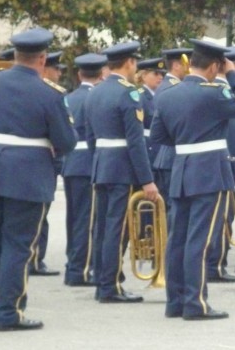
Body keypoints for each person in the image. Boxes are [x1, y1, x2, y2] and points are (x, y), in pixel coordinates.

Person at [0, 27, 76, 330]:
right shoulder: (49, 93)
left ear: (15, 56)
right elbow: (66, 142)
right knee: (17, 245)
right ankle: (9, 313)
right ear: (41, 58)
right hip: (27, 176)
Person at [150, 39, 235, 320]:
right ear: (213, 67)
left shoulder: (167, 94)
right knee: (200, 239)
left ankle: (175, 302)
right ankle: (196, 303)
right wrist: (234, 74)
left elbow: (159, 137)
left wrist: (187, 141)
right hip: (209, 170)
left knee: (178, 239)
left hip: (181, 169)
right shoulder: (214, 93)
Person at [85, 41, 159, 304]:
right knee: (118, 228)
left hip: (102, 164)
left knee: (103, 227)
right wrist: (147, 180)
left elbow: (91, 136)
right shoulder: (129, 94)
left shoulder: (95, 92)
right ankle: (110, 285)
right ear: (129, 63)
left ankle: (102, 281)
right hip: (122, 168)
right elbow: (136, 141)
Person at [61, 53, 107, 287]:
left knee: (74, 218)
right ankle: (81, 269)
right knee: (87, 221)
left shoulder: (68, 98)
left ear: (79, 74)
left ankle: (73, 265)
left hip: (70, 162)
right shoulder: (96, 98)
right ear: (101, 74)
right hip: (89, 161)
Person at [206, 46, 235, 284]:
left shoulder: (210, 87)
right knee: (223, 215)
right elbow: (233, 132)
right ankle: (216, 263)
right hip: (224, 160)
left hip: (209, 160)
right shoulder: (224, 89)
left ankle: (214, 262)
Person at [29, 50, 66, 277]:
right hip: (41, 160)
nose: (59, 74)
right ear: (44, 67)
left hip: (49, 160)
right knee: (37, 212)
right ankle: (33, 258)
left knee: (43, 212)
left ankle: (36, 257)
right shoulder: (47, 94)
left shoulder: (54, 93)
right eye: (56, 69)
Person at [152, 48, 194, 208]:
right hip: (172, 154)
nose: (190, 68)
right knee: (173, 211)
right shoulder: (171, 87)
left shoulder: (167, 86)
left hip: (168, 156)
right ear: (177, 65)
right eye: (187, 64)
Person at [137, 57, 166, 166]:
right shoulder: (140, 97)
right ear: (144, 76)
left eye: (162, 74)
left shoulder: (161, 96)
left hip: (160, 151)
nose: (160, 77)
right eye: (155, 74)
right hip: (148, 151)